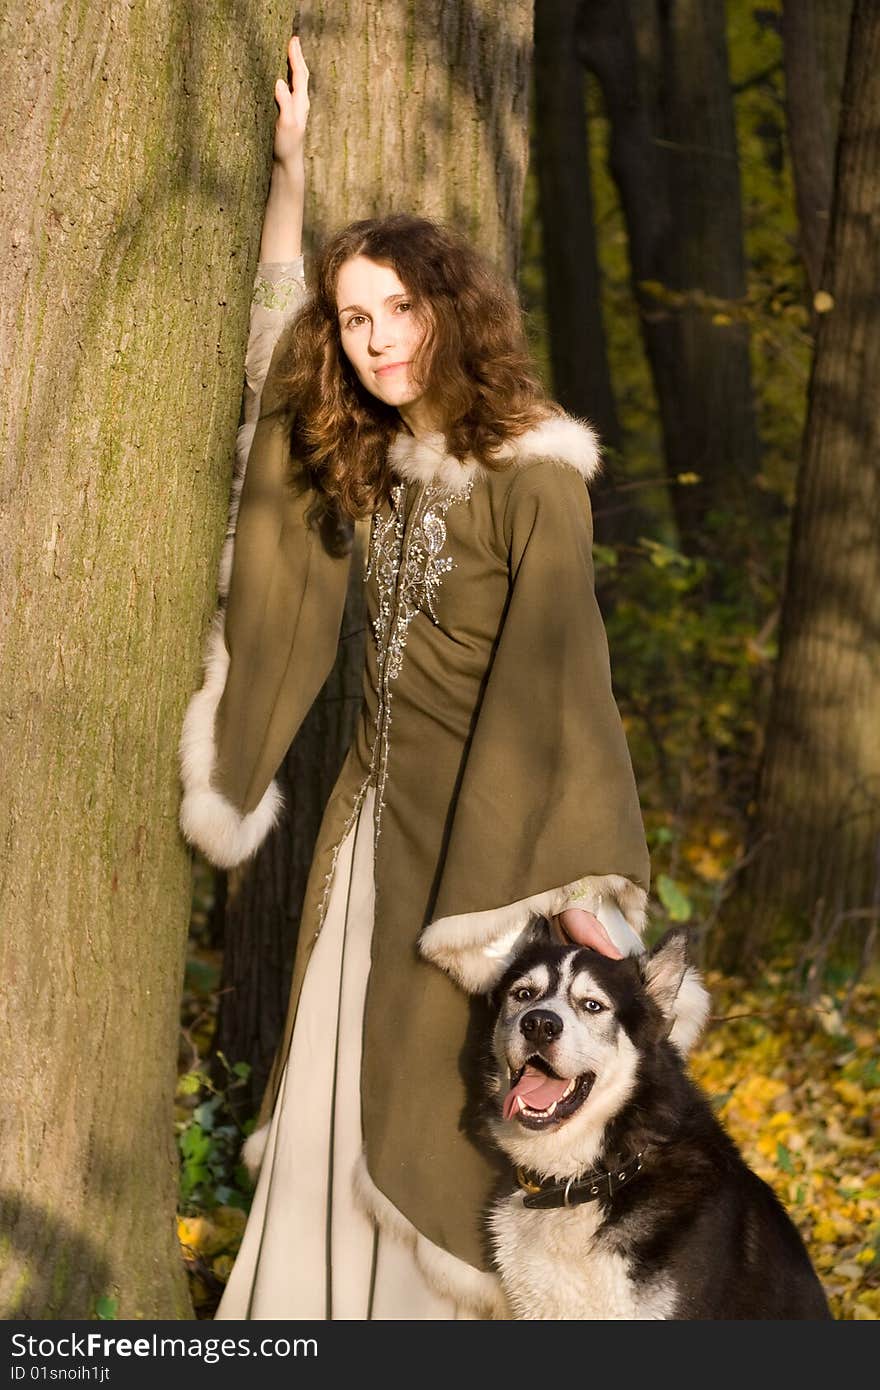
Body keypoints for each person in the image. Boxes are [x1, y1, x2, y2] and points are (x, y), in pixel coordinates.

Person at [179, 36, 651, 1320]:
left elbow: (565, 682)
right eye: (358, 317)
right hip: (362, 836)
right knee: (338, 1096)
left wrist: (579, 900)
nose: (379, 340)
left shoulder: (535, 474)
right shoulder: (367, 458)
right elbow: (273, 349)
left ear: (452, 310)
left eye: (401, 308)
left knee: (435, 1116)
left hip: (481, 865)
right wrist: (289, 175)